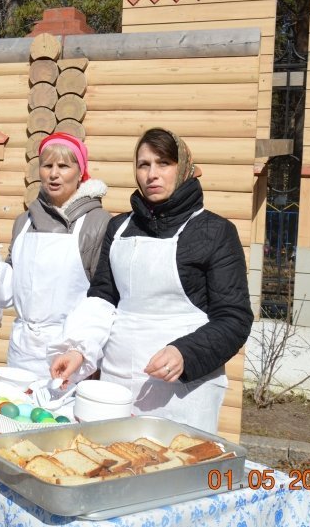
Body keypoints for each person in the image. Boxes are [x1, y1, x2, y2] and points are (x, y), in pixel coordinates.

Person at [49, 128, 252, 434]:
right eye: (144, 165)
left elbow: (234, 318)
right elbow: (103, 298)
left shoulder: (214, 232)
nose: (152, 174)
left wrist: (186, 353)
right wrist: (80, 349)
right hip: (118, 387)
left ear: (183, 168)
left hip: (184, 393)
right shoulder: (118, 227)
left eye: (163, 163)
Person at [0, 133, 110, 379]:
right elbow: (15, 285)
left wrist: (82, 348)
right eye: (47, 165)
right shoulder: (24, 222)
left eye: (63, 166)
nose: (54, 174)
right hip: (22, 351)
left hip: (69, 353)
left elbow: (102, 298)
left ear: (80, 172)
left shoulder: (97, 223)